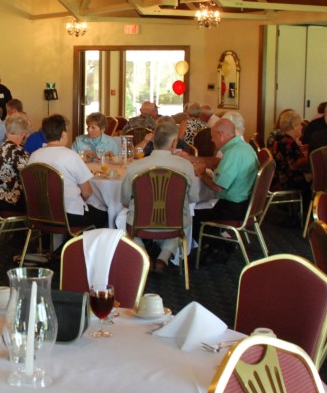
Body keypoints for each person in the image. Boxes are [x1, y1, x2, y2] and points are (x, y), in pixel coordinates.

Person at [121, 120, 199, 273]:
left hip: (139, 223)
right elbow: (194, 197)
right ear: (173, 143)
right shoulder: (186, 166)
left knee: (125, 218)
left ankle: (144, 255)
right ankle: (163, 257)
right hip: (175, 223)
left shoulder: (135, 167)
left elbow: (124, 200)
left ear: (153, 140)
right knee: (181, 217)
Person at [186, 118, 258, 261]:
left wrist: (201, 174)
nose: (212, 140)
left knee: (191, 216)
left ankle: (217, 247)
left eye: (213, 136)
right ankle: (222, 243)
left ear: (221, 134)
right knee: (200, 208)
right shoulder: (244, 147)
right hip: (246, 203)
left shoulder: (233, 154)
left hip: (233, 207)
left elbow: (218, 187)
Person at [28, 114, 110, 228]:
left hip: (40, 214)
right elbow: (87, 193)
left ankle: (62, 242)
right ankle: (73, 243)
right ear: (62, 134)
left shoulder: (34, 156)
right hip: (69, 216)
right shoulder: (71, 156)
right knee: (105, 213)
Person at [0, 113, 31, 213]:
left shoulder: (1, 147)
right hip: (13, 200)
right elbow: (31, 177)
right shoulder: (19, 152)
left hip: (0, 196)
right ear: (23, 133)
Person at [268, 109, 309, 204]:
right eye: (299, 124)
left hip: (277, 177)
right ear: (294, 126)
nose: (301, 128)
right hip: (286, 181)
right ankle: (304, 214)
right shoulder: (289, 143)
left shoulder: (279, 139)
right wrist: (310, 159)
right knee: (313, 184)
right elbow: (294, 165)